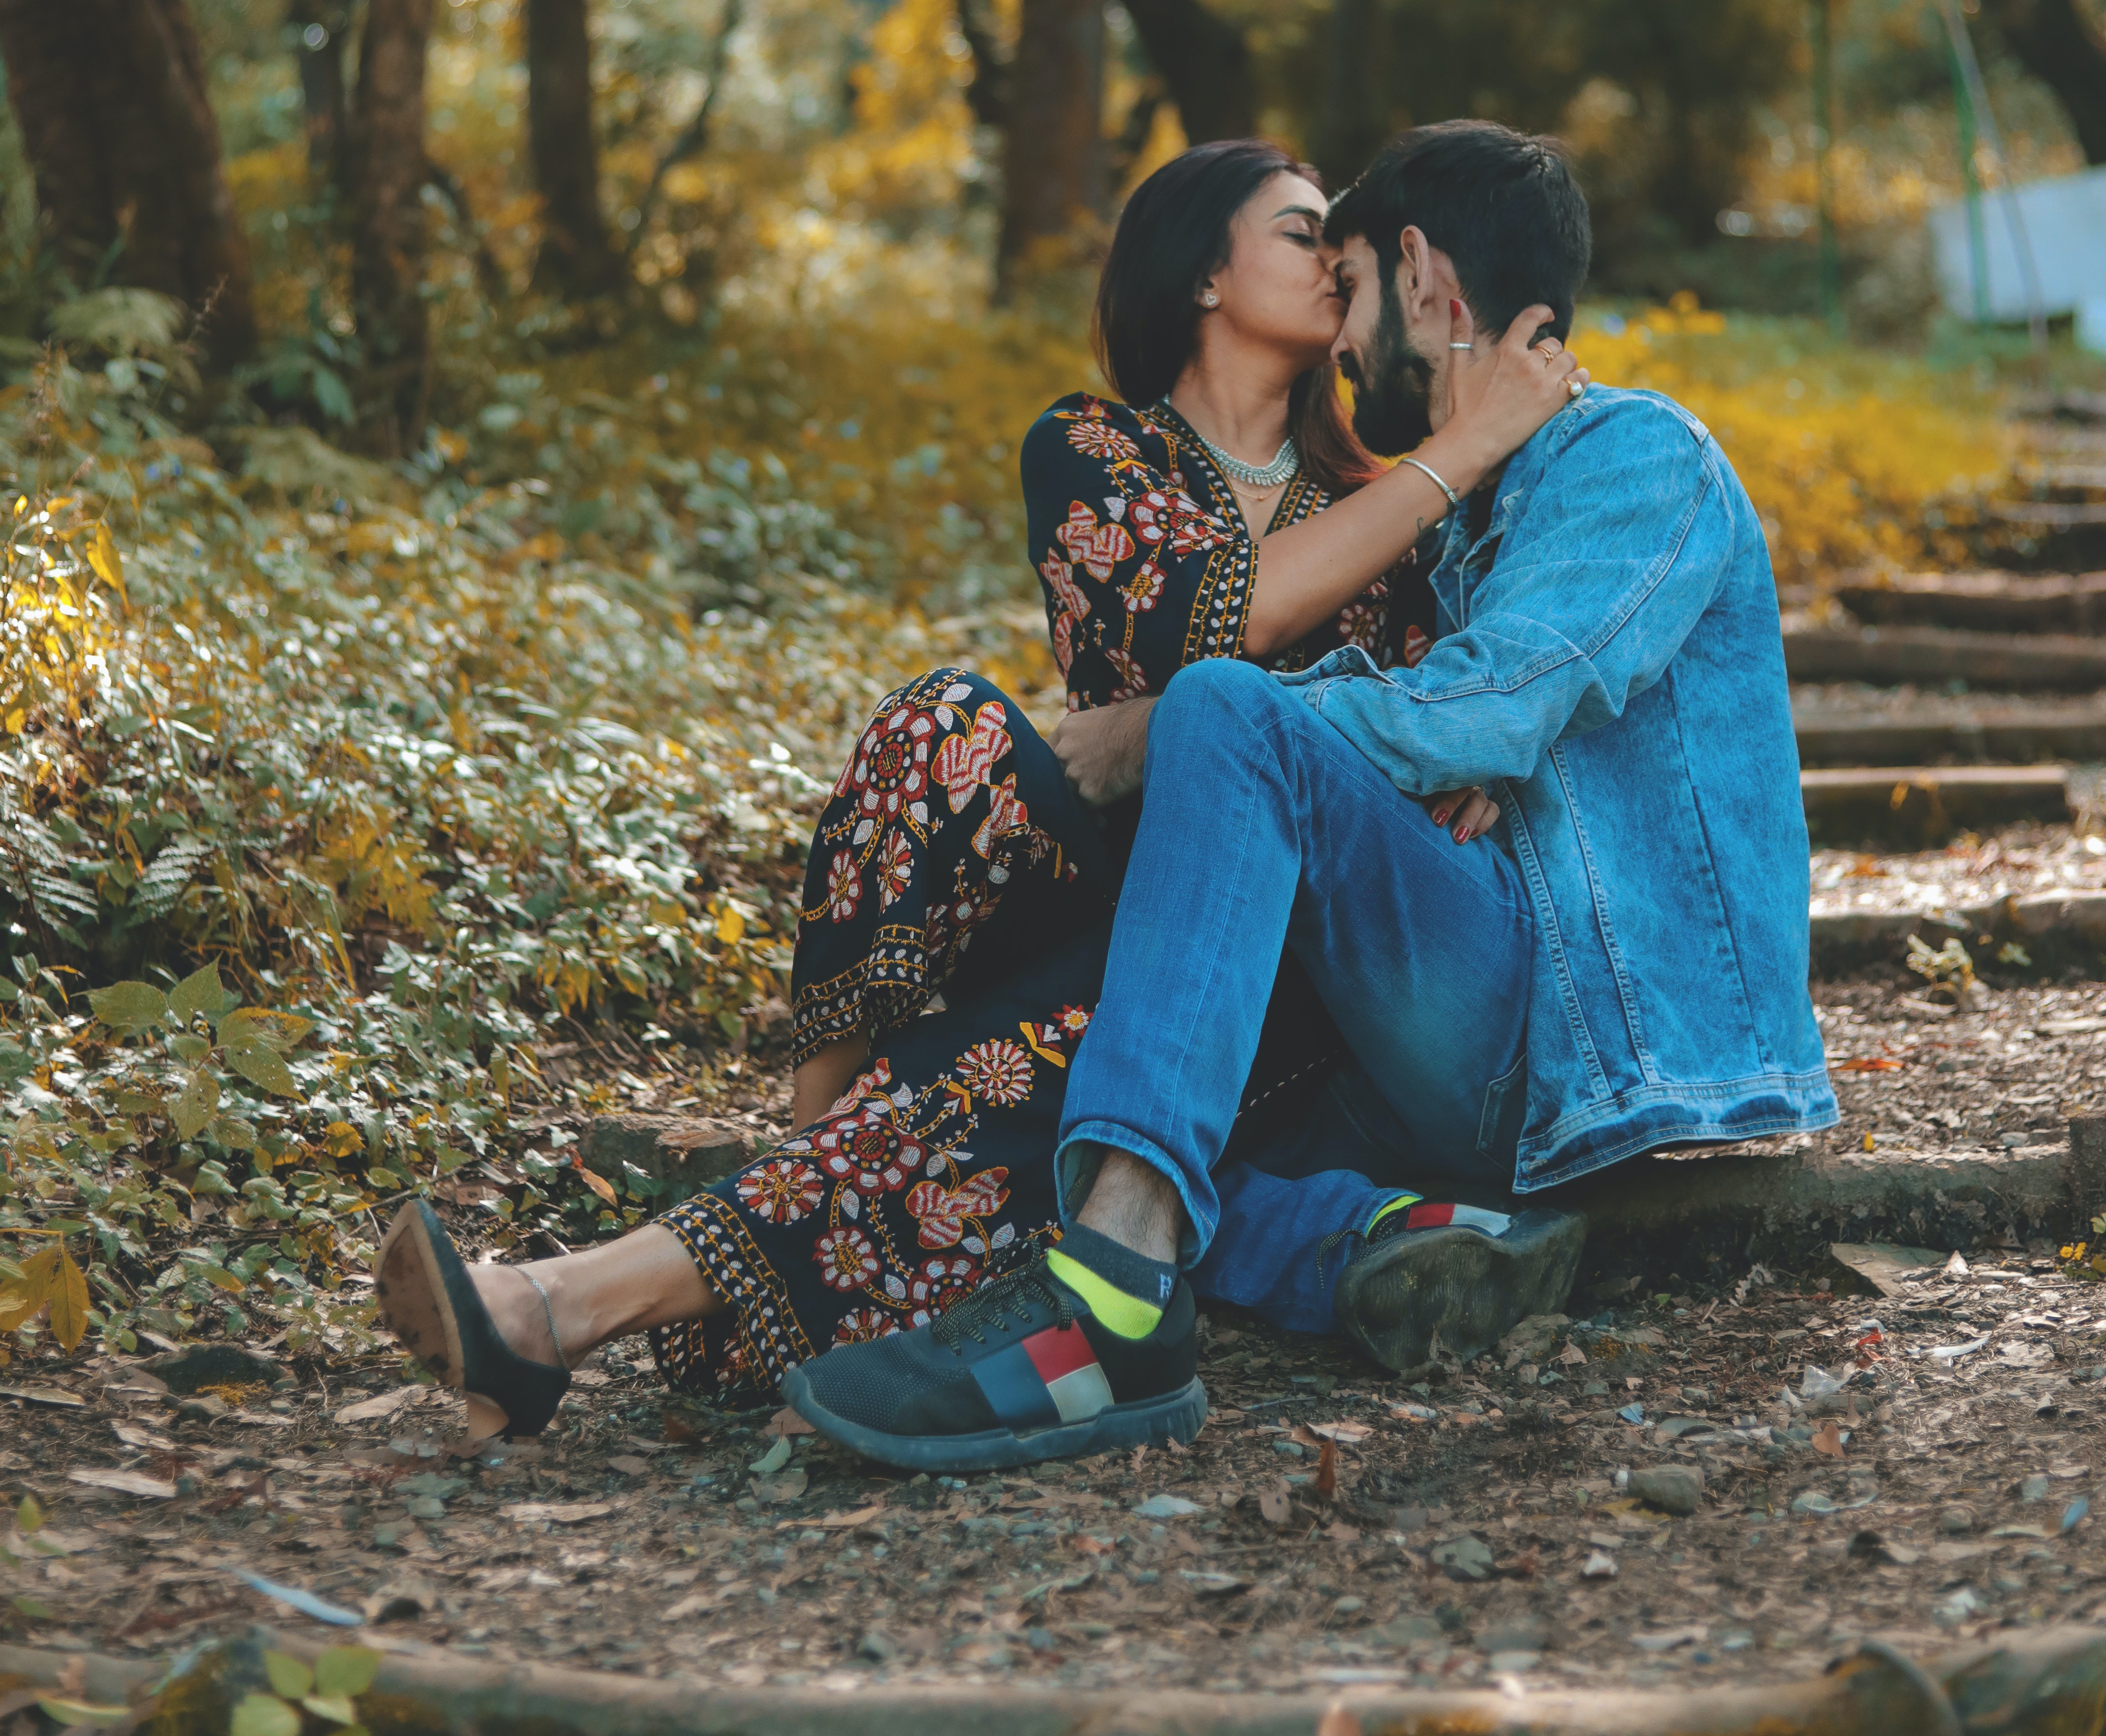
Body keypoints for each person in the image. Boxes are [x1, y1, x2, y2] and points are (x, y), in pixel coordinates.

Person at [372, 138, 1585, 1441]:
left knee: (1029, 1062)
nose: (1333, 256)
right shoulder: (1098, 447)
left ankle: (557, 1308)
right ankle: (815, 1142)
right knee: (942, 720)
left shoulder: (1387, 503)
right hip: (1079, 889)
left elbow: (1419, 740)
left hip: (1244, 971)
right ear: (1202, 275)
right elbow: (1194, 623)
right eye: (1298, 231)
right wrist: (1455, 454)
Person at [782, 120, 1839, 1476]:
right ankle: (1346, 1241)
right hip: (1421, 1046)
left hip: (1566, 1040)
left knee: (1231, 706)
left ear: (1419, 270)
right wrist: (1389, 764)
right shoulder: (1429, 521)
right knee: (1093, 1093)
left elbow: (1488, 705)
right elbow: (1415, 737)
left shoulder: (1634, 458)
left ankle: (1111, 1295)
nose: (1342, 341)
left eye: (1350, 283)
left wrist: (1184, 732)